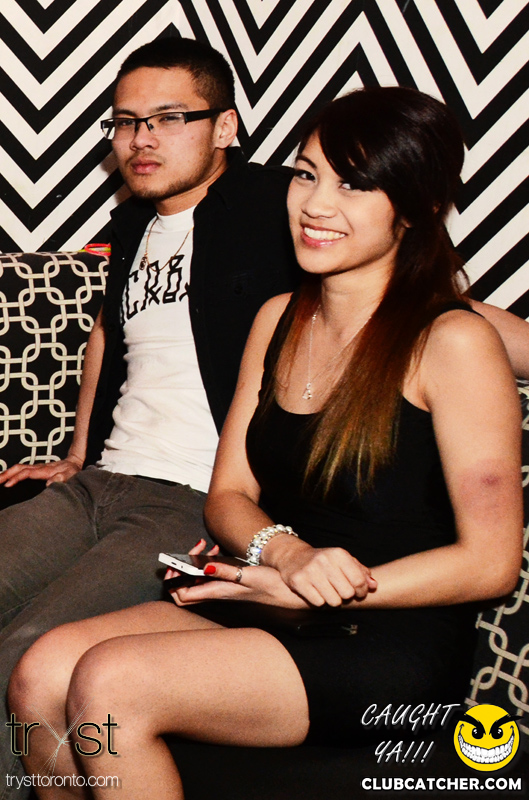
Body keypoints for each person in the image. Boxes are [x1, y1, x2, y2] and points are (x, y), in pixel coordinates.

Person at [8, 86, 523, 799]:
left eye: (354, 185)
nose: (316, 204)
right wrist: (285, 557)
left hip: (388, 633)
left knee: (110, 682)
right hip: (272, 600)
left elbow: (491, 563)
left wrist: (320, 589)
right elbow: (228, 496)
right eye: (307, 175)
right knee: (40, 669)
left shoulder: (453, 342)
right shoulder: (277, 318)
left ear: (413, 208)